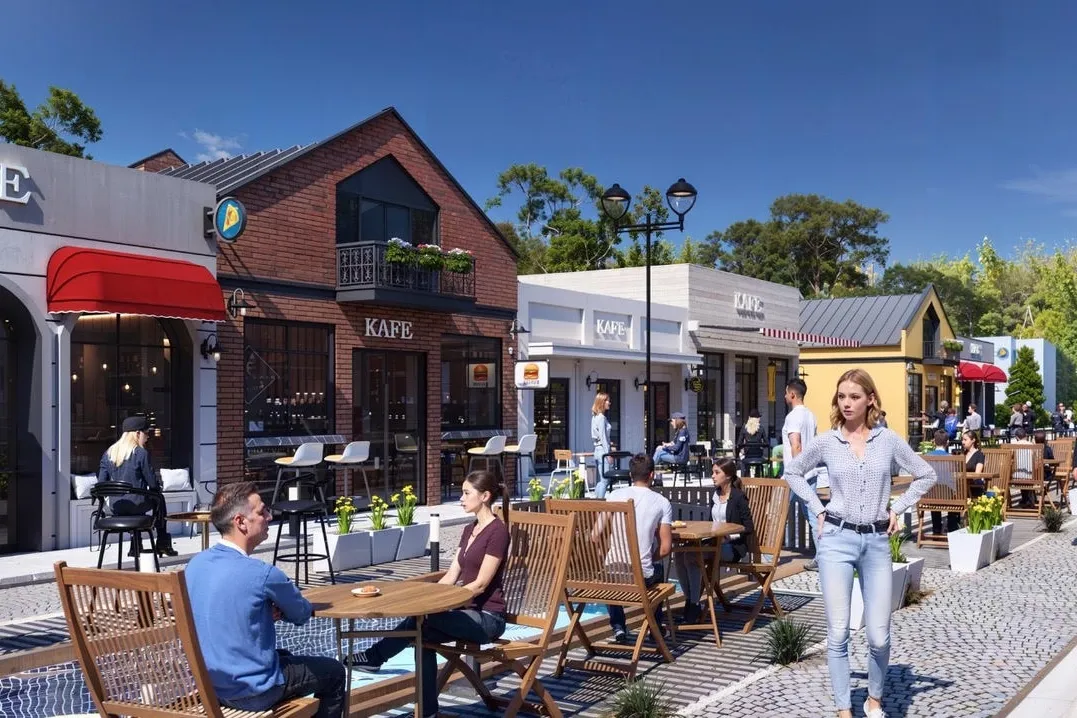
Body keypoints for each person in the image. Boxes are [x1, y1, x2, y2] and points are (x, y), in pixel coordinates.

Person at [784, 368, 937, 718]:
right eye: (842, 397)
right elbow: (792, 471)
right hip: (836, 540)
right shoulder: (827, 441)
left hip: (876, 541)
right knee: (838, 633)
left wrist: (897, 507)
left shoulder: (888, 440)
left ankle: (874, 700)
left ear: (870, 399)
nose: (847, 403)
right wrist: (817, 508)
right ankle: (844, 709)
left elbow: (926, 474)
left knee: (879, 636)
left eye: (854, 396)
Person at [351, 471, 509, 717]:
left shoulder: (498, 532)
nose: (460, 498)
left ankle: (373, 657)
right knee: (420, 634)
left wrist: (443, 603)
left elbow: (480, 585)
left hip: (488, 618)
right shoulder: (470, 529)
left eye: (466, 493)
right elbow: (451, 575)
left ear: (485, 496)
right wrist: (425, 598)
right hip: (466, 613)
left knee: (421, 622)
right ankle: (427, 712)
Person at [184, 482, 346, 718]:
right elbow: (301, 614)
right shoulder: (263, 574)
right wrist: (277, 609)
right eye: (262, 512)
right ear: (241, 522)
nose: (270, 516)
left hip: (210, 686)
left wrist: (259, 612)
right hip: (252, 691)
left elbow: (217, 609)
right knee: (334, 672)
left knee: (285, 656)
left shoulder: (195, 565)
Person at [672, 457, 754, 624]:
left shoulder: (738, 497)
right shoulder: (715, 495)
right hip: (714, 544)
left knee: (692, 556)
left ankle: (694, 604)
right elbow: (711, 523)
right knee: (680, 554)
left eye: (717, 472)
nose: (713, 476)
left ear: (728, 476)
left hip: (732, 547)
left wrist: (728, 536)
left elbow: (749, 527)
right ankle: (690, 601)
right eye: (713, 472)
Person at [604, 453, 672, 643]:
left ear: (630, 475)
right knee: (657, 570)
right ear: (651, 475)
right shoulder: (661, 502)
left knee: (612, 570)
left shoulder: (614, 496)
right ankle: (654, 627)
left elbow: (594, 535)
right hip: (639, 577)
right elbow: (665, 548)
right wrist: (649, 557)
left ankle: (618, 627)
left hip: (611, 575)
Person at [98, 415, 176, 557]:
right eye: (146, 433)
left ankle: (136, 545)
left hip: (116, 506)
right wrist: (157, 488)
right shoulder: (141, 453)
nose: (148, 437)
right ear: (137, 433)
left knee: (142, 500)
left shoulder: (108, 454)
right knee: (159, 498)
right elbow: (152, 484)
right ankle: (162, 542)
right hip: (137, 505)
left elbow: (101, 484)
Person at [781, 378, 819, 570]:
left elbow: (796, 445)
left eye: (786, 393)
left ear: (792, 394)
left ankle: (768, 556)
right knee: (813, 515)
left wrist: (797, 470)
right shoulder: (811, 415)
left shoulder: (793, 417)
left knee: (778, 513)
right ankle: (822, 557)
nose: (784, 396)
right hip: (810, 473)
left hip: (795, 475)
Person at [926, 430, 959, 534]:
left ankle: (936, 529)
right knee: (954, 497)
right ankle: (952, 529)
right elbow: (955, 476)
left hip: (930, 496)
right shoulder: (951, 458)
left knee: (934, 493)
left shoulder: (926, 457)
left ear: (934, 442)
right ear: (947, 442)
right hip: (947, 496)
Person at [592, 392, 613, 499]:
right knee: (605, 480)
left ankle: (596, 501)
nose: (609, 402)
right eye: (607, 400)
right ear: (602, 402)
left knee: (602, 479)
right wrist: (608, 454)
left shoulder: (595, 417)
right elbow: (603, 437)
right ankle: (599, 503)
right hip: (602, 451)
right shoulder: (601, 418)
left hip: (597, 450)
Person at [737, 409, 769, 477]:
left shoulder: (744, 428)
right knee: (759, 464)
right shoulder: (761, 428)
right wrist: (761, 445)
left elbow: (739, 443)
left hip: (748, 456)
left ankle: (745, 478)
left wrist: (743, 448)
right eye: (759, 417)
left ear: (749, 418)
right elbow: (767, 443)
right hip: (759, 456)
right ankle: (758, 477)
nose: (760, 419)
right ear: (757, 418)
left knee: (743, 462)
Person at [962, 430, 986, 497]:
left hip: (973, 486)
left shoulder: (979, 455)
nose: (963, 442)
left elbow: (977, 474)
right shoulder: (963, 454)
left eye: (965, 440)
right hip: (962, 485)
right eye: (962, 440)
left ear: (973, 440)